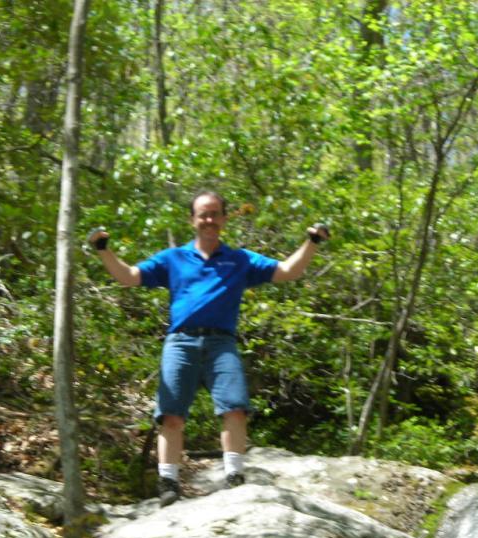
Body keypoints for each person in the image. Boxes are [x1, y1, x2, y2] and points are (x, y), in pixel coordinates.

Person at [89, 191, 329, 507]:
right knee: (171, 414)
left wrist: (312, 243)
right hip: (181, 341)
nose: (209, 220)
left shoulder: (240, 259)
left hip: (221, 342)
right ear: (192, 220)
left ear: (224, 219)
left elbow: (287, 272)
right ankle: (169, 483)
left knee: (235, 408)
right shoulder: (172, 258)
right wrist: (103, 250)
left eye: (215, 214)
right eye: (203, 214)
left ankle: (234, 477)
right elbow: (129, 277)